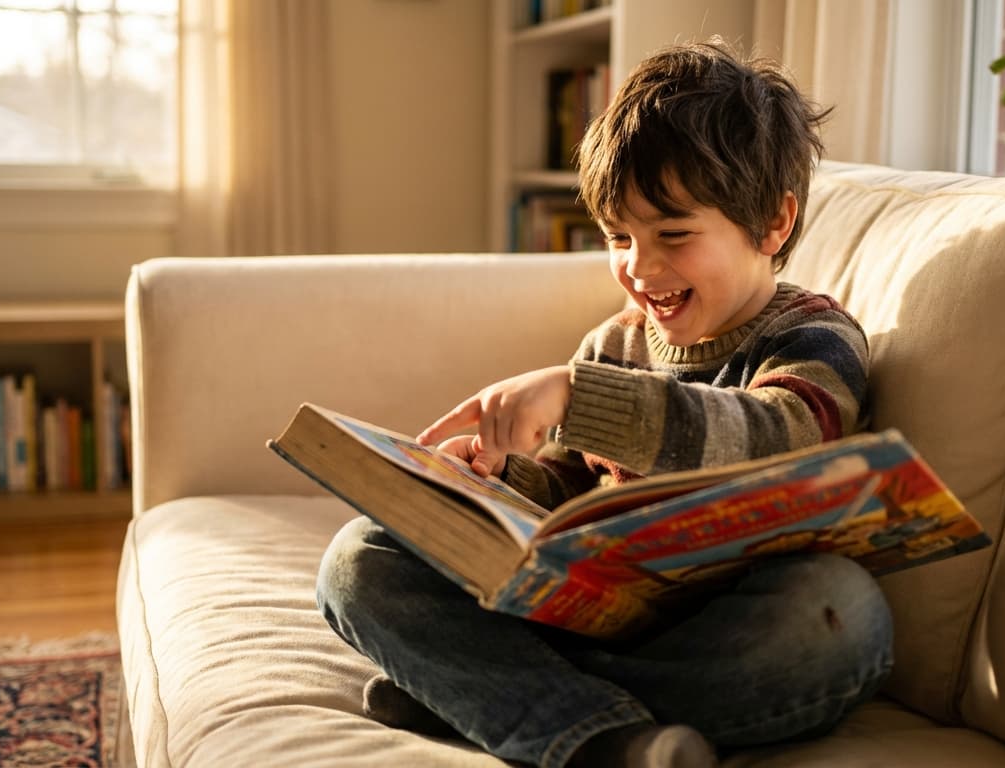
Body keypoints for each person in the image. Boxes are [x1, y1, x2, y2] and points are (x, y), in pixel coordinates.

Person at [316, 39, 893, 768]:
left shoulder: (814, 334)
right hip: (588, 618)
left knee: (841, 615)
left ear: (773, 224)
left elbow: (784, 438)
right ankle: (584, 729)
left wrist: (578, 397)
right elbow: (567, 490)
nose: (639, 266)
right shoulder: (615, 344)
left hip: (722, 630)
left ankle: (502, 705)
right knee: (357, 559)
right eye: (618, 235)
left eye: (673, 234)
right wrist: (490, 480)